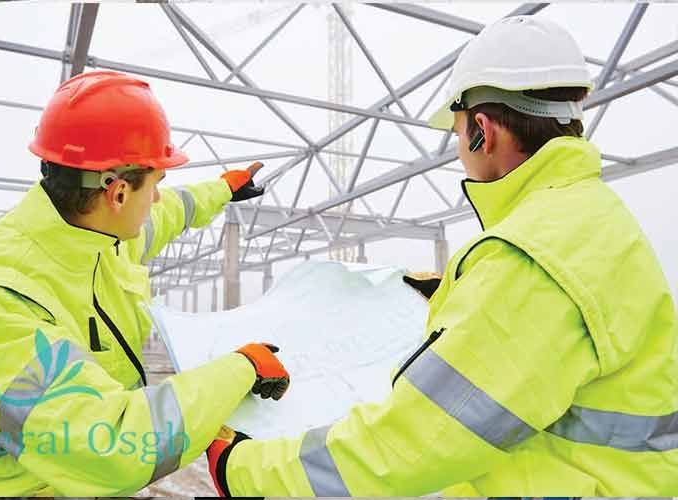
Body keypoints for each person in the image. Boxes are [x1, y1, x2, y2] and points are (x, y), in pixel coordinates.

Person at [205, 15, 678, 497]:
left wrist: (243, 471)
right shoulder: (592, 218)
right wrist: (469, 298)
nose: (458, 148)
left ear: (482, 131)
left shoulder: (532, 258)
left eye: (456, 132)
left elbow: (408, 444)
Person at [0, 70, 290, 497]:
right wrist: (240, 368)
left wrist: (221, 190)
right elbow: (111, 448)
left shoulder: (102, 238)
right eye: (155, 185)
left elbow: (172, 211)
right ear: (118, 194)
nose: (157, 199)